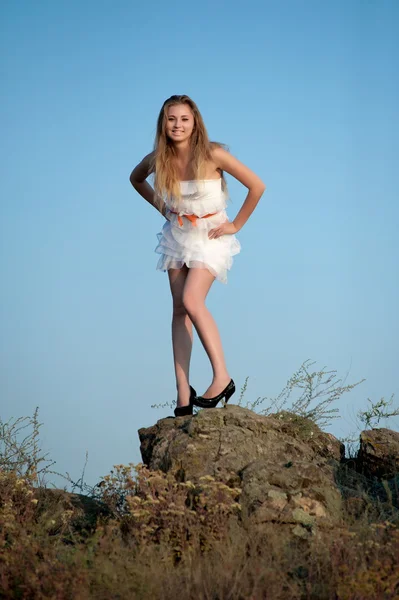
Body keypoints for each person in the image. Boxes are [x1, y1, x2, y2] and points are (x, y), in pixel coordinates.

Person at [129, 94, 266, 417]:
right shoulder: (157, 158)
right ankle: (181, 392)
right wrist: (163, 208)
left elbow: (257, 186)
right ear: (163, 123)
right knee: (179, 310)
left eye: (184, 119)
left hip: (211, 235)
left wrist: (236, 224)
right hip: (178, 234)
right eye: (171, 119)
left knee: (192, 300)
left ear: (195, 123)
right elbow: (135, 179)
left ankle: (222, 376)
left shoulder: (213, 153)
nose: (177, 125)